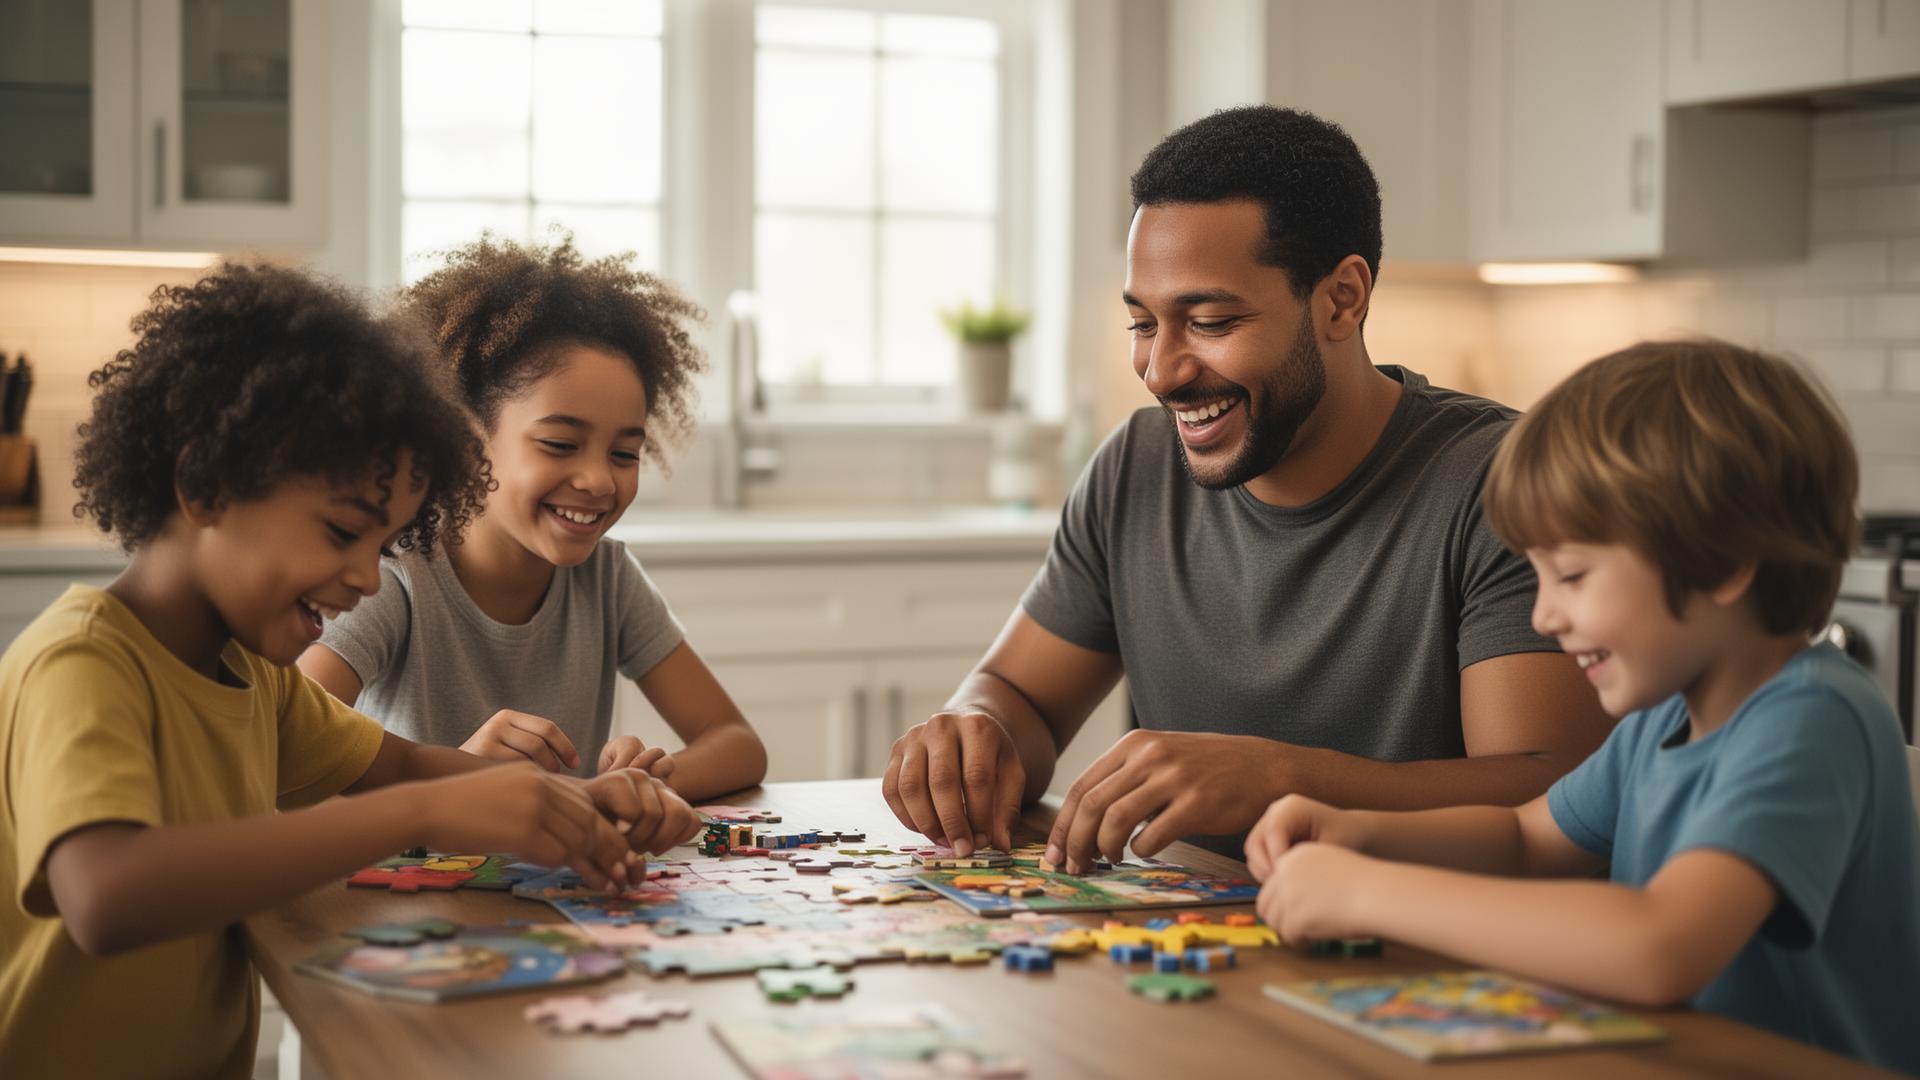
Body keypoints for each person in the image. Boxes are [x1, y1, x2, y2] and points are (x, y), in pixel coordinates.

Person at [0, 264, 701, 1077]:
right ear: (204, 486)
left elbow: (397, 763)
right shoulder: (84, 662)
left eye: (383, 544)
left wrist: (572, 800)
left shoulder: (249, 677)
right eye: (342, 533)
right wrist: (421, 811)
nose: (369, 577)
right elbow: (106, 897)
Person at [883, 105, 1611, 868]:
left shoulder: (1504, 483)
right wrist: (976, 728)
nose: (1161, 371)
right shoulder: (1136, 468)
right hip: (1199, 949)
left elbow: (1552, 794)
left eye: (1210, 321)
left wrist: (1283, 779)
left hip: (1434, 959)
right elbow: (1019, 696)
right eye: (1142, 324)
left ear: (1342, 299)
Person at [1246, 340, 1920, 1072]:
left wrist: (1367, 894)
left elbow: (1659, 945)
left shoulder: (1810, 718)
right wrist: (1358, 833)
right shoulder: (1665, 719)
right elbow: (1525, 840)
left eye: (1572, 575)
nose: (1543, 616)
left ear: (1723, 564)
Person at [299, 236, 767, 801]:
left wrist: (642, 783)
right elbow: (294, 753)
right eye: (560, 443)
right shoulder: (394, 577)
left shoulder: (607, 577)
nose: (599, 479)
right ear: (466, 440)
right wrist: (458, 771)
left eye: (624, 454)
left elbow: (737, 743)